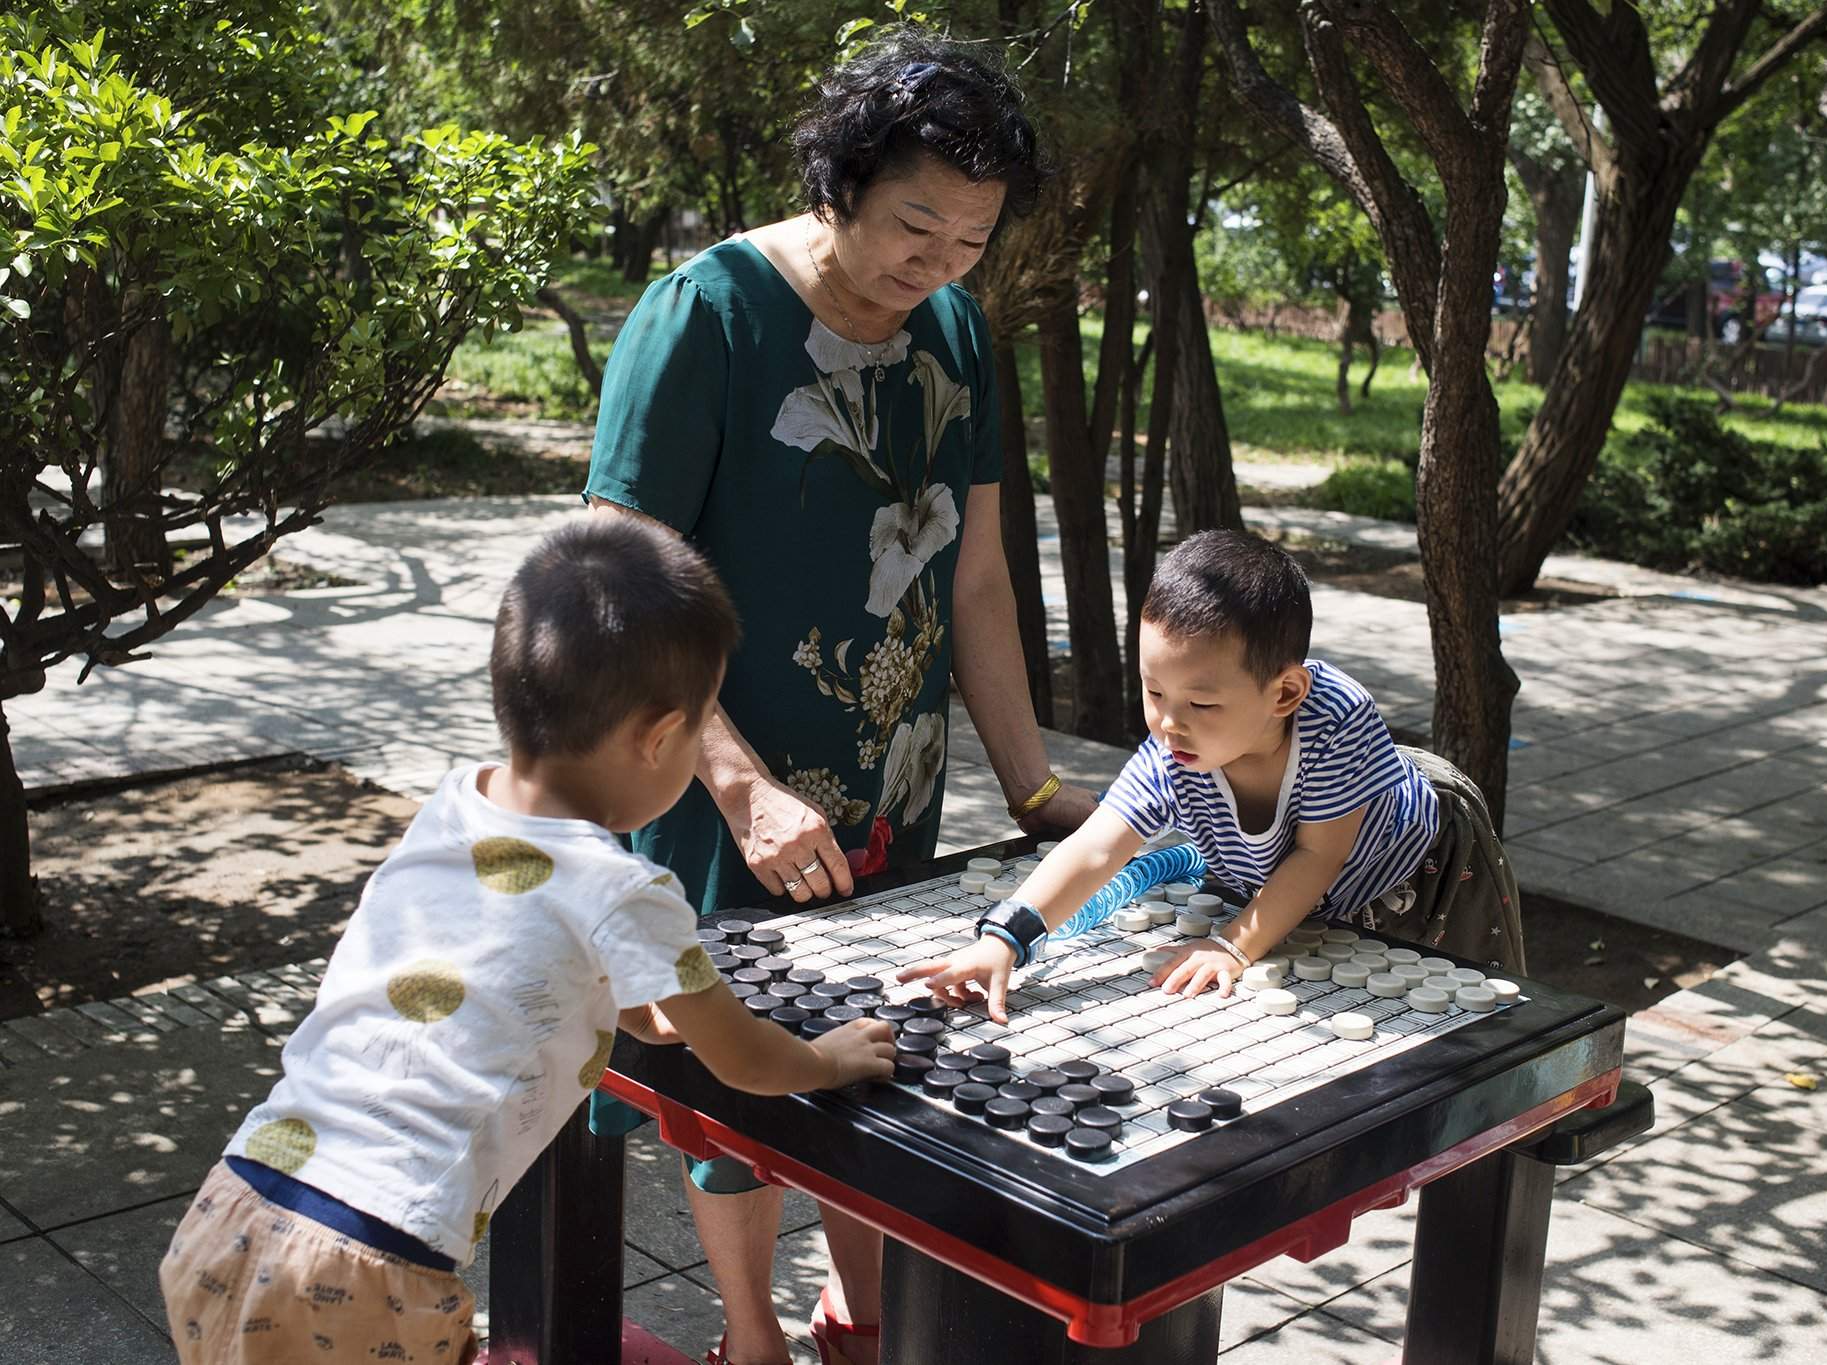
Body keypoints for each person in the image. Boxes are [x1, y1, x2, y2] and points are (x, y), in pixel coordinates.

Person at [580, 30, 1090, 1365]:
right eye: (917, 223)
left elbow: (976, 582)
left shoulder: (961, 335)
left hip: (887, 782)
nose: (939, 262)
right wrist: (742, 788)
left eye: (973, 239)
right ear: (842, 181)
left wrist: (1032, 784)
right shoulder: (705, 316)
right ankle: (751, 1335)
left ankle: (860, 1319)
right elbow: (620, 582)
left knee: (881, 1054)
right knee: (732, 1073)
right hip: (716, 772)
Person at [154, 518, 896, 1365]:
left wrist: (639, 1010)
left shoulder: (454, 804)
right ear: (660, 740)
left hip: (235, 1208)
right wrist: (830, 1060)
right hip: (369, 1266)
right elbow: (746, 1061)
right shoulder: (624, 890)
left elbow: (525, 964)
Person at [902, 530, 1527, 1022]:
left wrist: (1232, 944)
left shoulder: (1336, 721)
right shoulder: (1174, 750)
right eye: (1153, 692)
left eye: (1200, 704)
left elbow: (1316, 858)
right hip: (1305, 891)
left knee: (1465, 1019)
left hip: (1425, 874)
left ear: (1284, 694)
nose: (1168, 723)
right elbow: (1096, 847)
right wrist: (1004, 940)